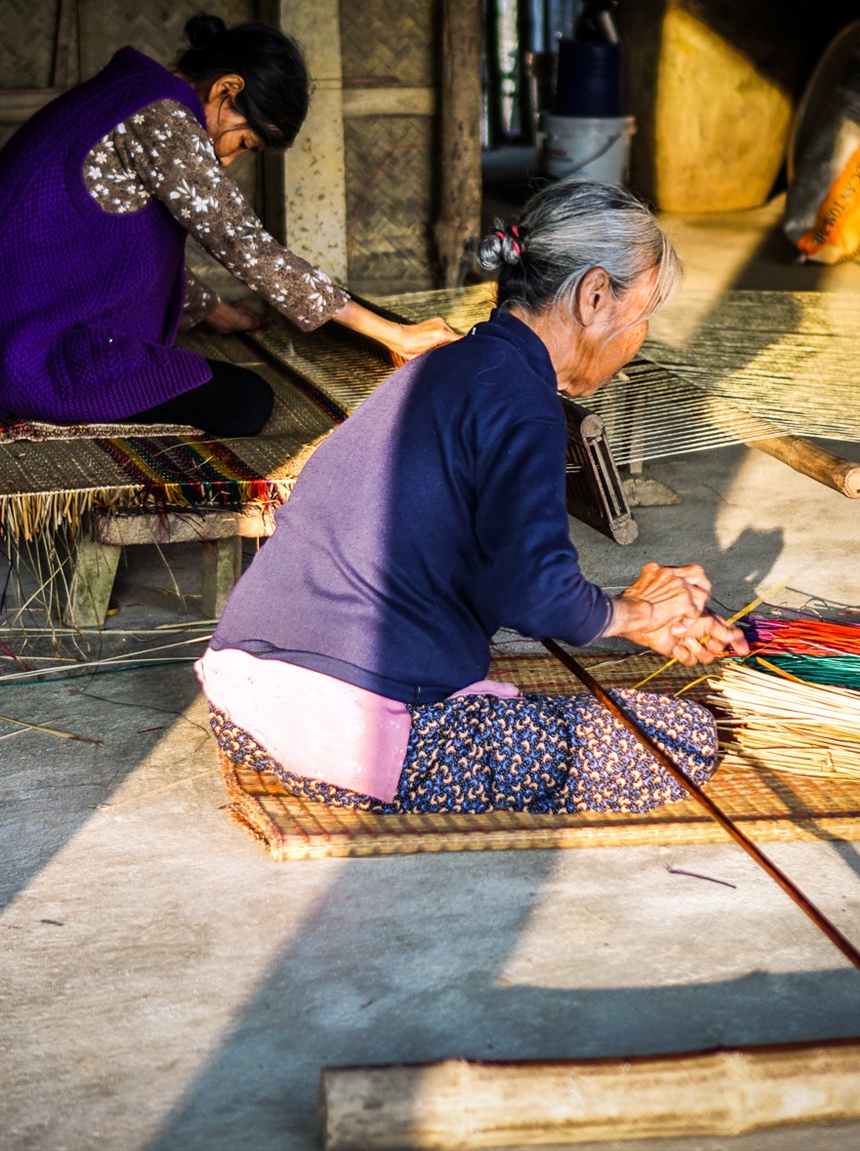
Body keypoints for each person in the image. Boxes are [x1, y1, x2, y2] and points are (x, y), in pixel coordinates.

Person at [198, 179, 750, 813]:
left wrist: (625, 617)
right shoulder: (526, 406)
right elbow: (534, 597)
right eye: (645, 314)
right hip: (352, 736)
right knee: (679, 737)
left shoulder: (447, 364)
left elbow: (493, 573)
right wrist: (631, 616)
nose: (641, 338)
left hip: (240, 702)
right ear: (595, 295)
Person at [0, 15, 456, 437]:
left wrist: (214, 310)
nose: (229, 161)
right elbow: (244, 243)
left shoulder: (131, 92)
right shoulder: (162, 118)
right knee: (246, 403)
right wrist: (394, 333)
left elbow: (109, 248)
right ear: (228, 89)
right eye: (244, 142)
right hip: (20, 356)